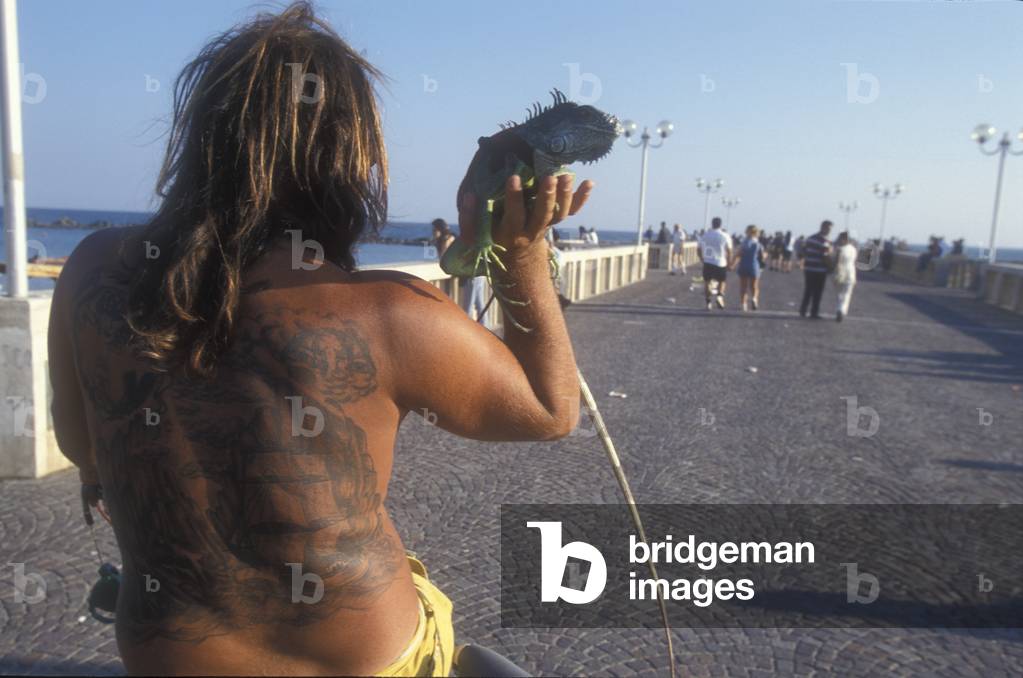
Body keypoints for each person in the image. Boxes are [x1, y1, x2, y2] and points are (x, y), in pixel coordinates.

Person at [47, 4, 593, 676]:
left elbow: (78, 444)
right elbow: (549, 409)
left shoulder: (92, 270)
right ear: (348, 156)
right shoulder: (390, 313)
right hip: (370, 659)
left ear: (199, 137)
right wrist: (521, 251)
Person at [799, 220, 833, 318]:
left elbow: (803, 251)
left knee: (808, 290)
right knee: (818, 291)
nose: (829, 231)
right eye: (829, 229)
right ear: (823, 227)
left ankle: (803, 309)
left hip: (809, 268)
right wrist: (830, 267)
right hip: (819, 270)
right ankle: (814, 312)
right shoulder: (825, 241)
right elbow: (825, 256)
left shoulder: (810, 238)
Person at [699, 217, 732, 310]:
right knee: (722, 281)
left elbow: (698, 249)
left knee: (707, 282)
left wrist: (702, 258)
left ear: (712, 224)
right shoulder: (725, 236)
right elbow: (729, 250)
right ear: (720, 224)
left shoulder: (705, 235)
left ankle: (708, 302)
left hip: (708, 262)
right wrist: (729, 263)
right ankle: (720, 296)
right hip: (721, 262)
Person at [733, 224, 765, 311]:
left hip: (743, 265)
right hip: (754, 266)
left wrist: (733, 264)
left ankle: (743, 304)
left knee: (743, 286)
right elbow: (762, 257)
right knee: (754, 286)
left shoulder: (744, 243)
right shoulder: (758, 244)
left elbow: (738, 255)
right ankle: (754, 298)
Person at [833, 231, 858, 322]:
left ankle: (839, 309)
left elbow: (836, 261)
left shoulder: (840, 249)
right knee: (847, 294)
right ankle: (842, 310)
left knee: (839, 294)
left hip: (840, 272)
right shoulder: (853, 249)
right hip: (851, 272)